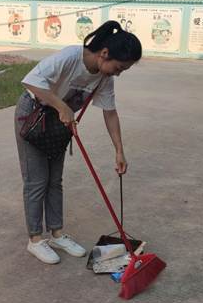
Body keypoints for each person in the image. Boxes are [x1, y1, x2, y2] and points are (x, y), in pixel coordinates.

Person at [14, 20, 142, 264]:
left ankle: (57, 234)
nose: (117, 73)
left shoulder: (104, 78)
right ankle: (35, 239)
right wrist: (61, 106)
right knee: (36, 180)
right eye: (118, 67)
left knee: (55, 180)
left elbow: (110, 112)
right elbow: (30, 80)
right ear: (104, 53)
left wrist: (119, 151)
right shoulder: (71, 56)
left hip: (60, 121)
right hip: (33, 114)